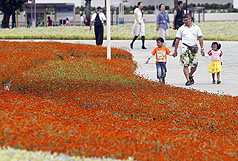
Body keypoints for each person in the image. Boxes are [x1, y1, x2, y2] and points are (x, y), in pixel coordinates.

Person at [172, 13, 205, 86]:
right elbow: (177, 39)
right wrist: (175, 50)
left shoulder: (196, 28)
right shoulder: (181, 28)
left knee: (194, 65)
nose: (185, 22)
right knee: (185, 64)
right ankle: (187, 80)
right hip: (185, 47)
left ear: (190, 19)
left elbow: (200, 38)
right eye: (183, 21)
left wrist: (202, 49)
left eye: (186, 20)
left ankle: (190, 75)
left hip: (194, 47)